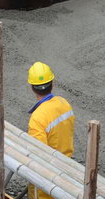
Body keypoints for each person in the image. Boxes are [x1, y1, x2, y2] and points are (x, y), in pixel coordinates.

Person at [26, 61, 75, 199]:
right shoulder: (64, 103)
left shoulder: (38, 117)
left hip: (47, 177)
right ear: (52, 83)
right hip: (67, 167)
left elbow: (38, 153)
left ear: (32, 87)